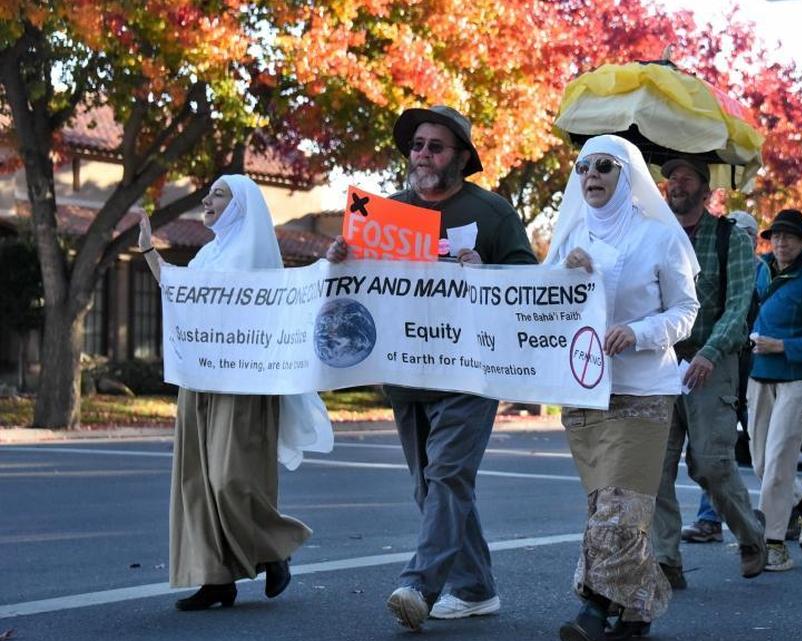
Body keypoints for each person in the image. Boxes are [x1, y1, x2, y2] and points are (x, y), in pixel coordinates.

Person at [326, 105, 537, 631]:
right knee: (431, 486)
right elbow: (364, 285)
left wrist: (487, 272)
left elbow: (529, 281)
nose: (422, 154)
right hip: (407, 374)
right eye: (417, 144)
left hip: (470, 371)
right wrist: (341, 261)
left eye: (435, 146)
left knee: (447, 474)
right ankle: (475, 588)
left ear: (461, 157)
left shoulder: (492, 213)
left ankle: (419, 584)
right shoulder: (384, 213)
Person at [137, 174, 334, 611]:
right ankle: (215, 580)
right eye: (208, 194)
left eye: (219, 195)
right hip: (200, 381)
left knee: (230, 480)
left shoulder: (260, 260)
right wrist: (150, 251)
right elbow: (178, 294)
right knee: (197, 484)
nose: (207, 200)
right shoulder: (208, 255)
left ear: (243, 206)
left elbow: (288, 314)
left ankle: (275, 548)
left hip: (245, 385)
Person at [546, 135, 699, 641]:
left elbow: (686, 312)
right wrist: (563, 280)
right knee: (608, 509)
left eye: (604, 166)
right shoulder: (568, 237)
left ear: (626, 175)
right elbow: (537, 307)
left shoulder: (659, 237)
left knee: (619, 506)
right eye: (583, 166)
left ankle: (592, 608)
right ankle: (638, 609)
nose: (591, 174)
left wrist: (638, 333)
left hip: (644, 390)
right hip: (585, 389)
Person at [652, 159, 766, 589]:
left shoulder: (730, 238)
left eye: (687, 178)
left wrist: (711, 352)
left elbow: (738, 306)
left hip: (711, 361)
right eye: (671, 177)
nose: (676, 184)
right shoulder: (655, 236)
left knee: (711, 463)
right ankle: (665, 560)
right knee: (655, 467)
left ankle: (752, 536)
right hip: (660, 362)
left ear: (705, 190)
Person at [746, 208, 802, 571]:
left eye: (789, 237)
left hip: (798, 378)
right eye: (776, 236)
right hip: (760, 375)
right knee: (761, 464)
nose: (781, 242)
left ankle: (773, 546)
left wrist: (783, 347)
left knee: (780, 463)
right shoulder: (762, 271)